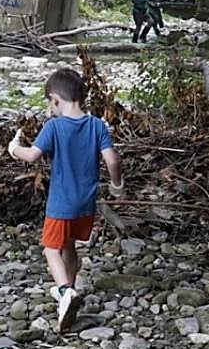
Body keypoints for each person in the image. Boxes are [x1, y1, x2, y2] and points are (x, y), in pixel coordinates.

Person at [7, 67, 123, 332]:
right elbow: (113, 160)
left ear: (56, 100)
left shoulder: (54, 127)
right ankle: (69, 289)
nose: (51, 109)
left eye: (50, 104)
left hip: (61, 204)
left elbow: (32, 156)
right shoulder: (97, 125)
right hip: (85, 204)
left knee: (50, 248)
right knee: (69, 245)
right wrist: (117, 186)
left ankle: (64, 292)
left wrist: (14, 149)